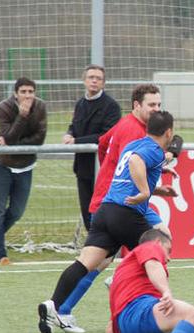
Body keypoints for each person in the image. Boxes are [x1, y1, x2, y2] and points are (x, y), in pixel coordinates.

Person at [38, 111, 178, 333]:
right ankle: (158, 314)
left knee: (85, 263)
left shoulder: (135, 144)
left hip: (105, 212)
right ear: (169, 132)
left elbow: (130, 168)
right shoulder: (154, 149)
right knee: (158, 251)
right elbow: (136, 162)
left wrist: (157, 189)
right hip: (125, 214)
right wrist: (144, 192)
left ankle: (52, 304)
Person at [0, 77, 47, 266]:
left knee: (16, 211)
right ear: (16, 94)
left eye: (30, 92)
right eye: (23, 92)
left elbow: (40, 138)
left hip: (26, 166)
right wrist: (21, 116)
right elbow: (8, 135)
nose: (27, 96)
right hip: (3, 165)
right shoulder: (4, 107)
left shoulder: (40, 107)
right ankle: (0, 256)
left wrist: (14, 143)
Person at [63, 64, 122, 231]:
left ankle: (104, 246)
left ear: (103, 83)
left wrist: (77, 141)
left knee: (102, 210)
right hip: (82, 166)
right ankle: (92, 246)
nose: (94, 81)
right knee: (86, 210)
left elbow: (106, 136)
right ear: (84, 81)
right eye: (91, 77)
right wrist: (69, 134)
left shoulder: (111, 106)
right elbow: (74, 126)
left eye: (98, 79)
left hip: (102, 167)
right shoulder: (80, 104)